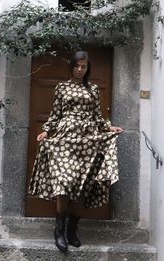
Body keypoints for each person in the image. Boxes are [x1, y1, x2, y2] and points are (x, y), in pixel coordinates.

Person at [28, 50, 123, 253]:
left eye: (84, 67)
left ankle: (72, 229)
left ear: (88, 68)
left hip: (87, 141)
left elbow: (97, 115)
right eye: (77, 66)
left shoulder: (93, 89)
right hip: (65, 139)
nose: (80, 70)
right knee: (63, 185)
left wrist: (108, 127)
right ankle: (59, 229)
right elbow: (55, 113)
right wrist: (46, 130)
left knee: (80, 188)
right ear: (71, 66)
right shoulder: (61, 87)